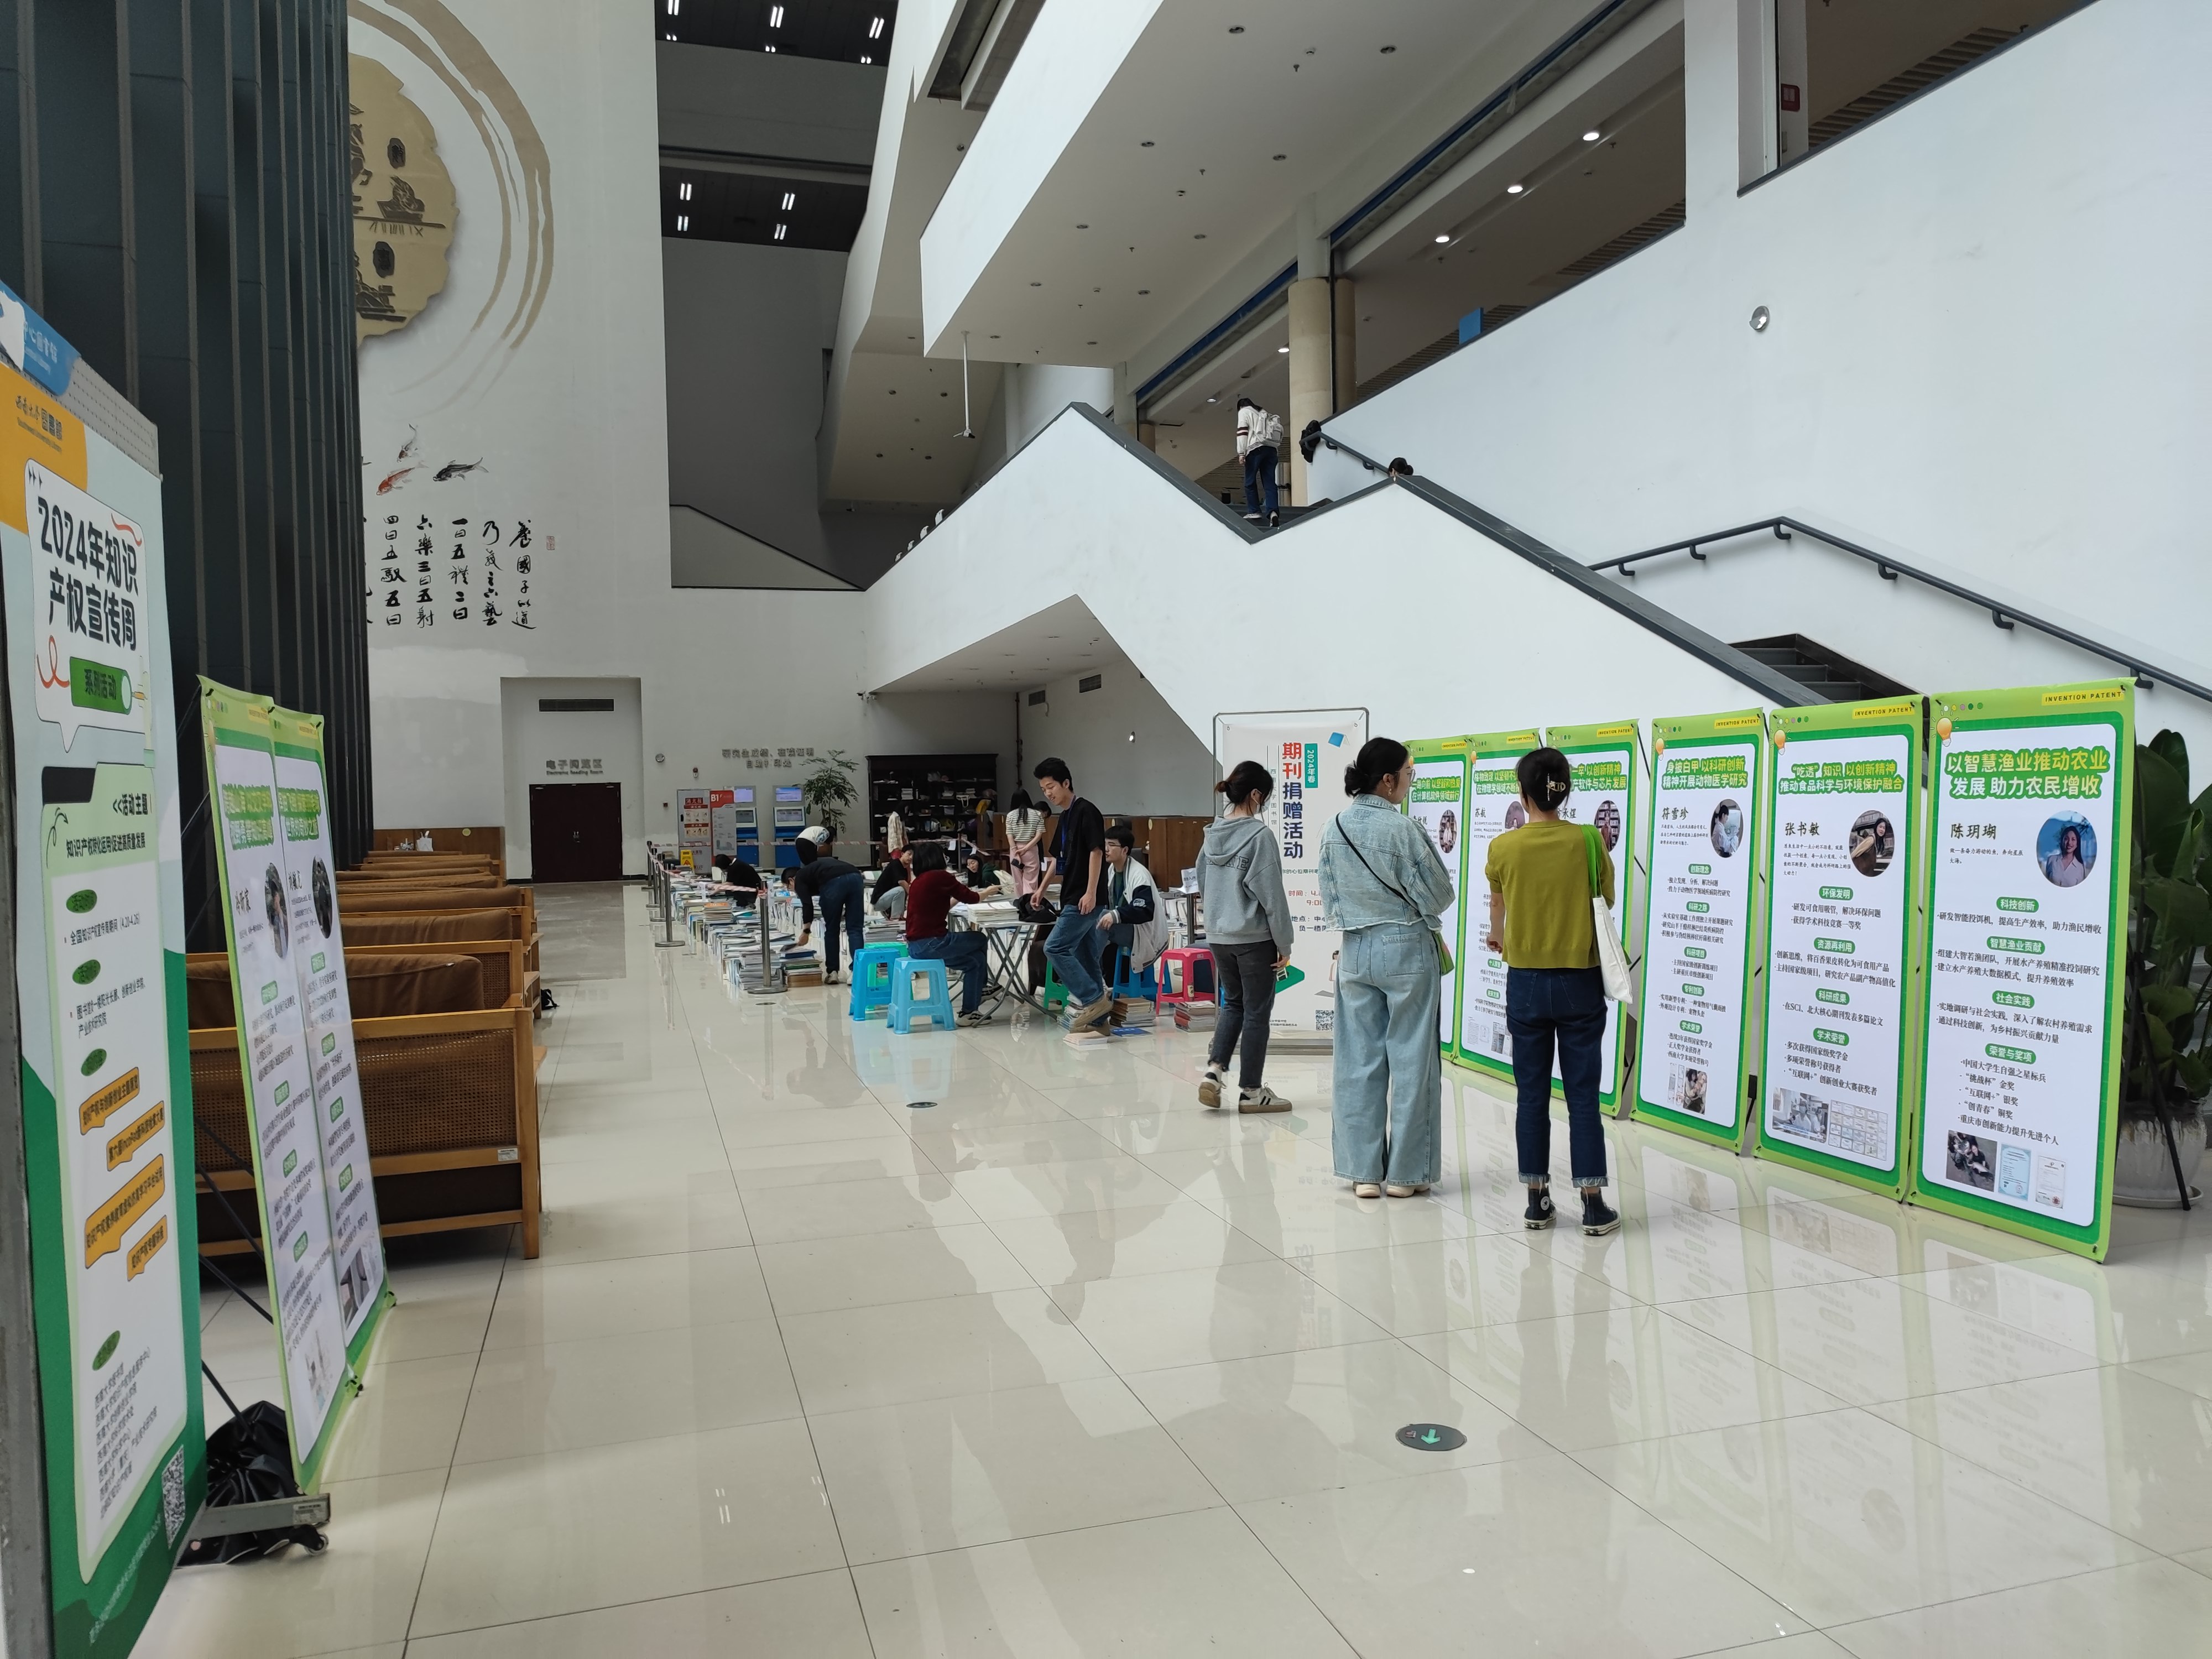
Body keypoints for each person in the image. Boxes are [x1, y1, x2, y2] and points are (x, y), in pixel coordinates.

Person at [1484, 747, 1621, 1237]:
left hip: (1525, 981)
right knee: (1582, 1095)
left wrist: (1499, 934)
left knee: (1531, 1094)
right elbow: (1606, 898)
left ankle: (1537, 1201)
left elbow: (1497, 907)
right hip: (1579, 979)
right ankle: (1593, 1205)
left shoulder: (1503, 847)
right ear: (1565, 791)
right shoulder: (1588, 840)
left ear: (1523, 794)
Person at [1319, 737, 1453, 1197]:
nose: (1410, 782)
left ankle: (1363, 1173)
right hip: (1406, 948)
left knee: (1358, 1060)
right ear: (1389, 780)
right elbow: (1440, 895)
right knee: (1413, 1060)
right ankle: (1405, 1175)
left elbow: (1330, 898)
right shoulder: (1404, 829)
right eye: (1409, 775)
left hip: (1355, 949)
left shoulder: (1333, 828)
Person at [1197, 761, 1295, 1112]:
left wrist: (1218, 920)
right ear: (1255, 795)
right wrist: (1284, 943)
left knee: (1233, 1005)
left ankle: (1213, 1072)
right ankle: (1251, 1092)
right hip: (1254, 939)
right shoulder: (1259, 837)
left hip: (1219, 936)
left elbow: (1203, 882)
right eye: (1265, 797)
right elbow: (1272, 896)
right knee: (1256, 1013)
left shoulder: (1212, 834)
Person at [1034, 756, 1114, 1032]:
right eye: (1044, 790)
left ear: (1066, 783)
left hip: (1084, 897)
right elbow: (1058, 860)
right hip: (1071, 895)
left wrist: (1091, 892)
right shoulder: (1065, 817)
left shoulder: (1087, 811)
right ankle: (1100, 1021)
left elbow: (1097, 852)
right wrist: (1041, 889)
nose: (1048, 794)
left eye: (1051, 787)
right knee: (1086, 955)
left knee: (1054, 947)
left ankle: (1093, 999)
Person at [905, 842, 995, 1025]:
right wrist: (988, 892)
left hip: (916, 946)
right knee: (980, 938)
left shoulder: (919, 881)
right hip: (934, 943)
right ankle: (982, 989)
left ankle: (969, 1013)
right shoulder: (940, 876)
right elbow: (972, 898)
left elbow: (942, 905)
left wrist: (960, 898)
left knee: (975, 961)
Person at [1096, 822, 1169, 1004]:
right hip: (1127, 929)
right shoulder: (1112, 870)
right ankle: (1095, 980)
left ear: (1125, 850)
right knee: (1090, 920)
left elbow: (1144, 911)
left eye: (1111, 845)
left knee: (1100, 921)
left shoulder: (1139, 875)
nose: (1106, 849)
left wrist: (1114, 915)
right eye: (1105, 844)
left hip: (1144, 933)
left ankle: (1094, 983)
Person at [790, 836, 866, 983]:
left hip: (834, 881)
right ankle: (856, 973)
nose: (793, 891)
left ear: (791, 880)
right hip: (856, 876)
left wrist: (806, 932)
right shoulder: (814, 870)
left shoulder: (799, 879)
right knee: (855, 929)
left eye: (789, 888)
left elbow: (807, 905)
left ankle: (833, 973)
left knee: (832, 929)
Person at [1235, 396, 1282, 527]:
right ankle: (1273, 513)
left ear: (1240, 407)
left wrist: (1241, 453)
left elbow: (1242, 432)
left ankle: (1254, 511)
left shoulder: (1244, 411)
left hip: (1256, 449)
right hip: (1272, 450)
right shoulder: (1264, 413)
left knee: (1250, 481)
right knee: (1269, 483)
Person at [1004, 789, 1047, 898]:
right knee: (1031, 881)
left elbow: (1010, 836)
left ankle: (1020, 903)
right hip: (1031, 850)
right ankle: (1029, 903)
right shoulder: (1038, 814)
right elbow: (1039, 836)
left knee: (1017, 881)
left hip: (1015, 849)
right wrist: (1026, 848)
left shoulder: (1010, 815)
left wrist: (1016, 851)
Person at [2043, 822, 2091, 887]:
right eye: (2066, 839)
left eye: (2073, 839)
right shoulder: (2051, 860)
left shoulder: (2080, 868)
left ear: (2077, 844)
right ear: (2062, 841)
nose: (2069, 843)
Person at [872, 847, 911, 921]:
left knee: (902, 891)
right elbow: (901, 882)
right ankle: (896, 919)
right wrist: (913, 895)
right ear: (902, 854)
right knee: (900, 890)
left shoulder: (904, 870)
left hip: (888, 900)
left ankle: (899, 917)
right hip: (879, 902)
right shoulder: (896, 864)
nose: (911, 857)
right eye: (909, 854)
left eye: (913, 856)